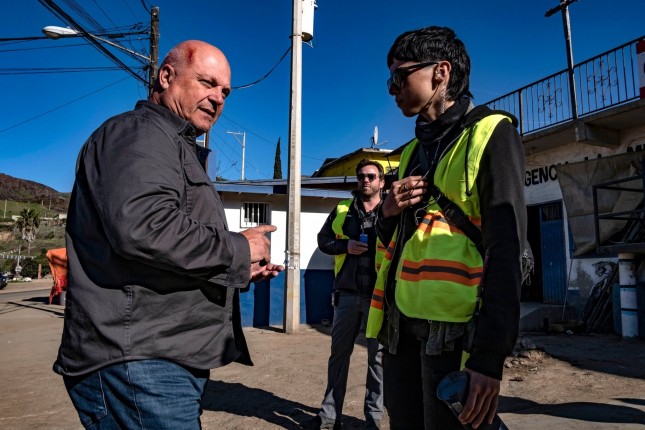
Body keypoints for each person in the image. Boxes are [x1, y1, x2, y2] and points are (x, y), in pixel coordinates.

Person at [53, 40, 284, 429]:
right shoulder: (139, 134)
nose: (218, 98)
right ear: (166, 76)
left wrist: (237, 269)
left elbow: (161, 251)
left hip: (156, 359)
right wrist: (238, 248)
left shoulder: (170, 145)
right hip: (137, 362)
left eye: (225, 92)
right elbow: (145, 227)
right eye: (207, 83)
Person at [365, 26, 527, 430]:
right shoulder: (409, 154)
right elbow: (392, 243)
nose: (392, 89)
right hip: (400, 329)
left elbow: (507, 249)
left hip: (454, 334)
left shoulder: (492, 133)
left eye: (399, 76)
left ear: (441, 72)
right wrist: (387, 212)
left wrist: (488, 358)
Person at [303, 159, 386, 430]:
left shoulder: (391, 211)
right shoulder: (342, 209)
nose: (365, 180)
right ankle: (329, 417)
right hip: (347, 294)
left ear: (381, 181)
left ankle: (373, 420)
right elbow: (323, 240)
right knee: (339, 357)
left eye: (371, 176)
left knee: (378, 360)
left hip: (379, 297)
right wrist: (344, 246)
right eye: (361, 176)